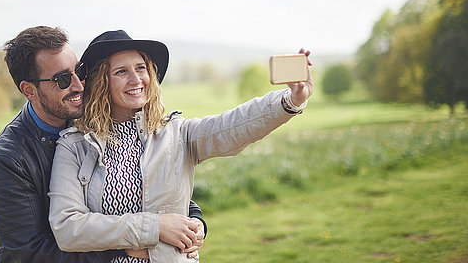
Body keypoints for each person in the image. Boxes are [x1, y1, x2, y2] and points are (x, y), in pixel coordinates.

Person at [48, 30, 313, 262]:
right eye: (121, 72)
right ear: (100, 82)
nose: (136, 79)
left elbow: (234, 126)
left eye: (141, 68)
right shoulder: (74, 146)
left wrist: (290, 100)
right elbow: (68, 228)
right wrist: (157, 227)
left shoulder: (176, 133)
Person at [0, 26, 206, 263]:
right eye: (62, 79)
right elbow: (33, 251)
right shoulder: (7, 160)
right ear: (29, 90)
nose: (79, 85)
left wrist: (192, 221)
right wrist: (121, 249)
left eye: (79, 71)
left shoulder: (90, 119)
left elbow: (140, 182)